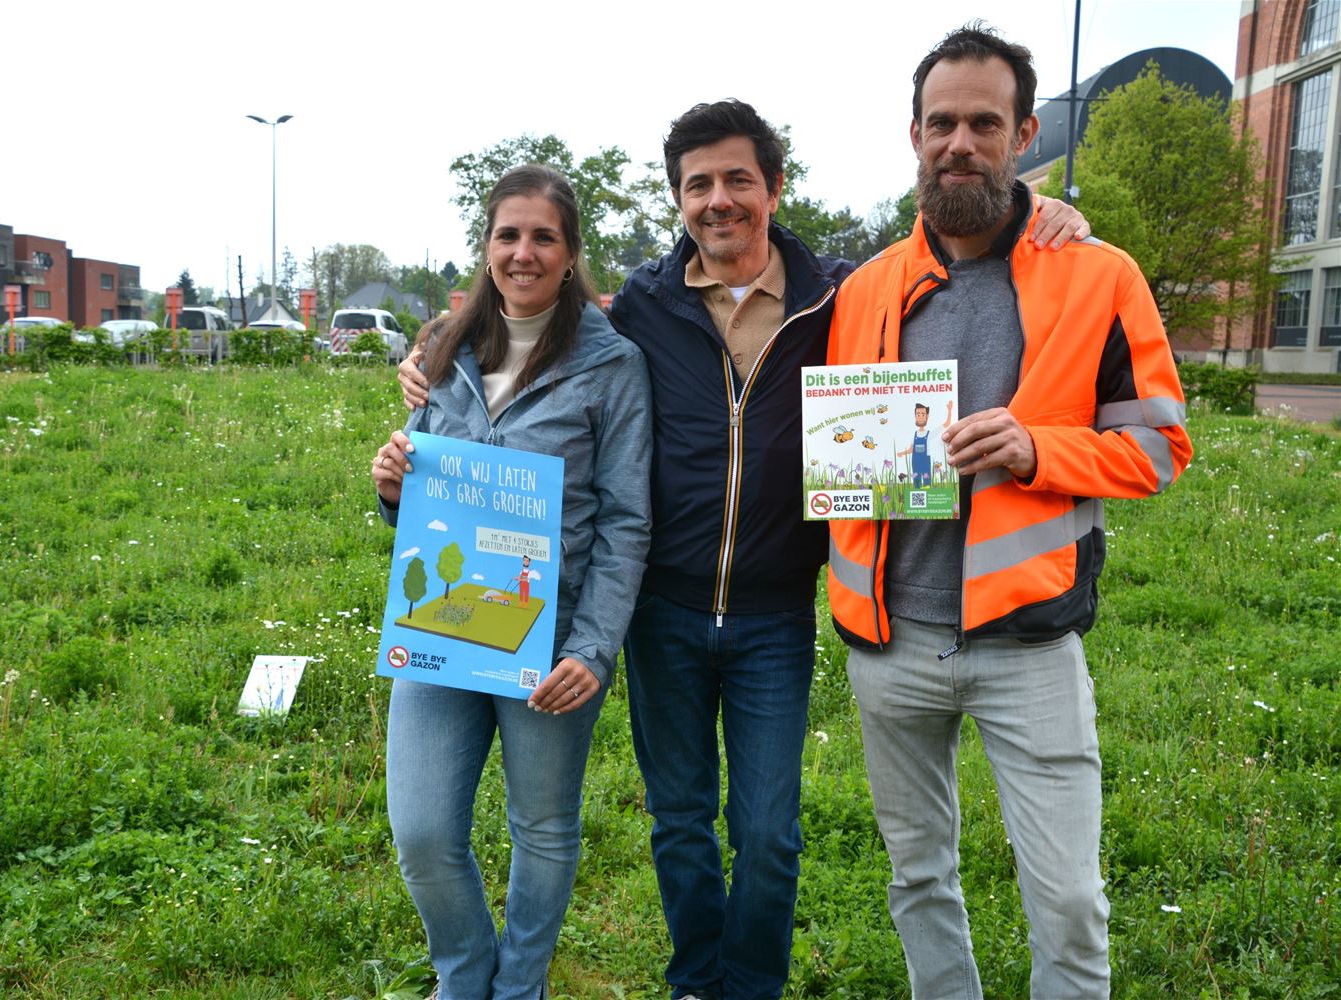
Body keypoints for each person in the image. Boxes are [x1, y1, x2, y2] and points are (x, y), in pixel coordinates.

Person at [402, 102, 1086, 1000]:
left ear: (775, 187)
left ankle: (752, 984)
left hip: (773, 613)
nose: (718, 200)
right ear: (678, 199)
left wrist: (1044, 214)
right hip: (664, 611)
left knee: (767, 831)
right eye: (699, 185)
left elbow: (945, 252)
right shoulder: (644, 307)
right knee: (680, 820)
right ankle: (696, 980)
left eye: (737, 180)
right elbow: (539, 331)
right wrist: (435, 353)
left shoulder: (840, 296)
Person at [826, 24, 1192, 1000]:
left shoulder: (1100, 276)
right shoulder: (862, 289)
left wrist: (1041, 450)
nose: (960, 142)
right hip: (890, 644)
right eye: (941, 123)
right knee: (918, 878)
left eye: (983, 124)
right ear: (914, 135)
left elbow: (1161, 449)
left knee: (1068, 900)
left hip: (1029, 642)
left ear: (1024, 134)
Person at [371, 164, 651, 1000]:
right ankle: (465, 977)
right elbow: (420, 486)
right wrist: (391, 487)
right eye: (508, 235)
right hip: (444, 625)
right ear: (487, 245)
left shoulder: (613, 365)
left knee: (542, 826)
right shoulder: (444, 350)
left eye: (543, 237)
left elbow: (626, 521)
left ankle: (519, 986)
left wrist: (592, 650)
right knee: (422, 832)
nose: (524, 253)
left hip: (550, 641)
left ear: (570, 254)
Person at [899, 400, 954, 487]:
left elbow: (947, 423)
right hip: (915, 463)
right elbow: (911, 450)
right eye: (918, 415)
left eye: (923, 415)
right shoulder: (914, 435)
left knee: (927, 481)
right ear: (915, 416)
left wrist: (949, 410)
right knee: (916, 482)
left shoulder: (929, 434)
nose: (920, 417)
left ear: (927, 416)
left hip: (925, 462)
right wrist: (902, 453)